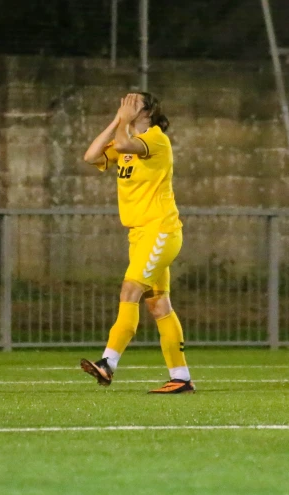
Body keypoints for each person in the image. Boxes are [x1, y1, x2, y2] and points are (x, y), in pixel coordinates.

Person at [80, 93, 194, 394]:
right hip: (140, 235)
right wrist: (118, 120)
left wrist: (125, 123)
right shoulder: (124, 140)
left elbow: (123, 144)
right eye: (123, 101)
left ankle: (108, 363)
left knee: (130, 289)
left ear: (148, 111)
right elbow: (91, 156)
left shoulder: (156, 139)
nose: (125, 104)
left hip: (161, 231)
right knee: (158, 305)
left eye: (132, 102)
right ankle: (181, 377)